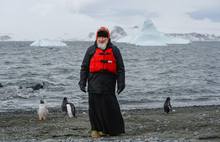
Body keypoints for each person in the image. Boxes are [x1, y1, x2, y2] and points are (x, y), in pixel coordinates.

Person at [79, 26, 125, 138]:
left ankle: (112, 130)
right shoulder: (90, 50)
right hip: (94, 85)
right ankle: (95, 130)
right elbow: (84, 67)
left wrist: (121, 83)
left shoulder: (115, 50)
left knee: (110, 108)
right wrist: (82, 82)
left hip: (109, 86)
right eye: (100, 37)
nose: (102, 39)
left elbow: (120, 68)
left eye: (104, 37)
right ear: (96, 37)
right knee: (94, 109)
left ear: (108, 38)